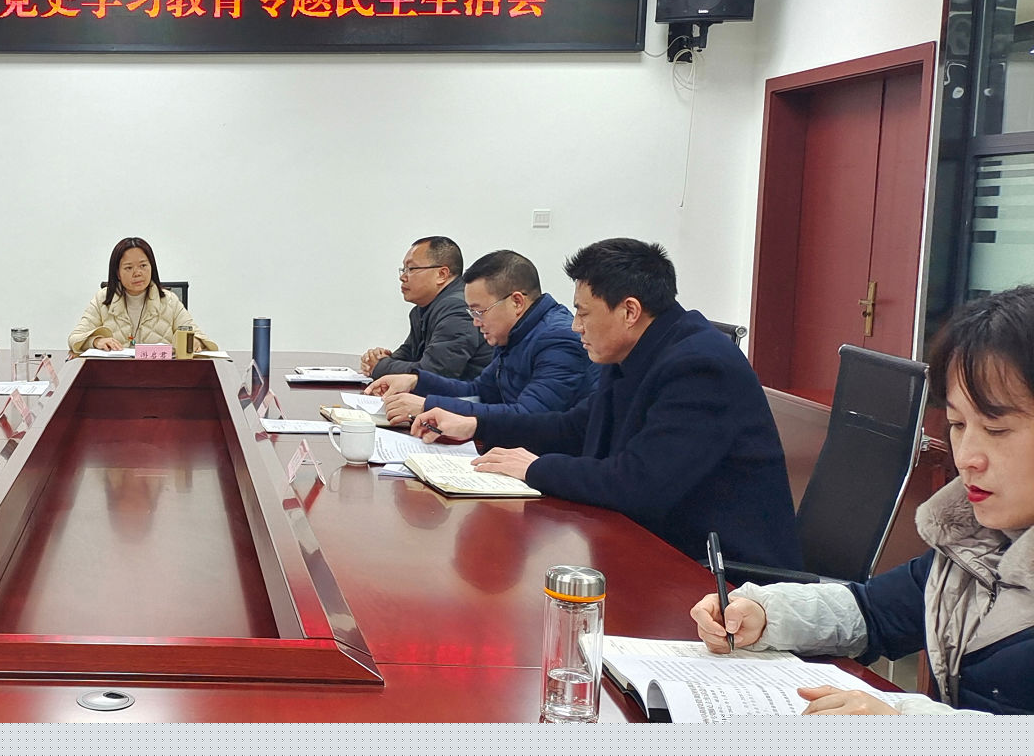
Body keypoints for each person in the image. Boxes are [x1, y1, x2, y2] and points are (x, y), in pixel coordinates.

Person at [691, 286, 1034, 716]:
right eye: (957, 424)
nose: (966, 457)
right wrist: (763, 614)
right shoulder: (972, 541)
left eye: (997, 430)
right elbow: (873, 612)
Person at [416, 237, 800, 568]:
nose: (575, 326)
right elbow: (575, 426)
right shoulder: (633, 351)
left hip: (720, 577)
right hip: (652, 546)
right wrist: (478, 425)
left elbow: (639, 483)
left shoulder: (700, 367)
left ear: (629, 311)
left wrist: (535, 468)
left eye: (583, 313)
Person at [365, 249, 595, 426]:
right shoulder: (515, 332)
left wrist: (427, 405)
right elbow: (479, 391)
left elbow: (528, 416)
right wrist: (416, 381)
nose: (475, 322)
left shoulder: (558, 340)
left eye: (479, 311)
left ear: (516, 302)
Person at [361, 236, 492, 382]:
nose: (403, 277)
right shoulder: (423, 309)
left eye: (411, 269)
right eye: (403, 269)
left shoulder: (457, 308)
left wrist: (380, 367)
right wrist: (382, 359)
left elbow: (434, 372)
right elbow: (410, 353)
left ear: (442, 274)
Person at [68, 236, 216, 354]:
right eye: (128, 268)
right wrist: (96, 341)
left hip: (161, 375)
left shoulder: (169, 300)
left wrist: (196, 342)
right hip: (115, 375)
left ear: (152, 267)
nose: (137, 273)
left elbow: (198, 336)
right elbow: (75, 338)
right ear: (117, 273)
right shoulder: (102, 299)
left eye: (143, 266)